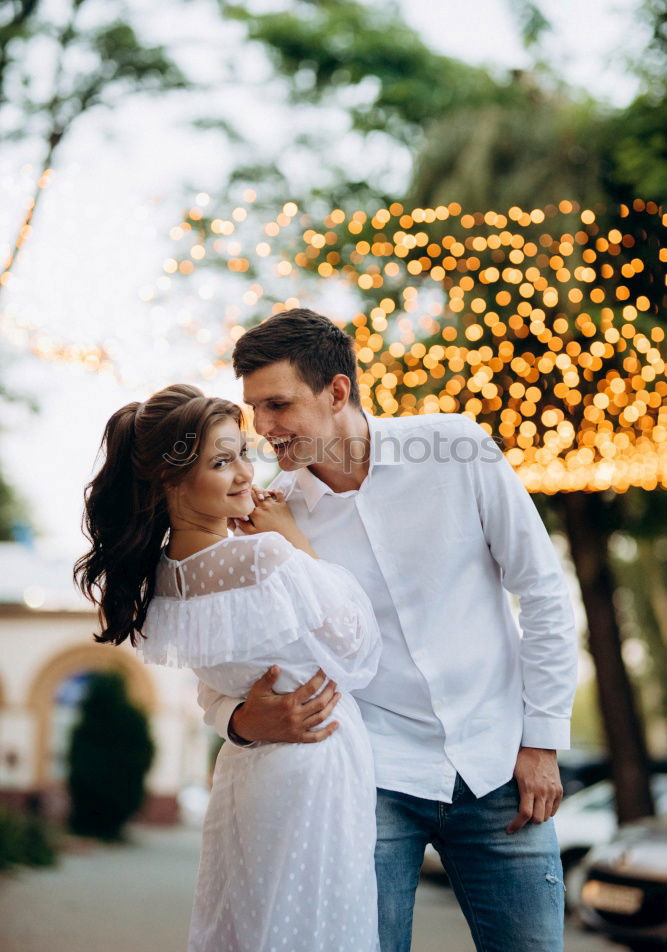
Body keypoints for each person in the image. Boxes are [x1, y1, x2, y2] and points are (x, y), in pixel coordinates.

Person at [198, 308, 579, 952]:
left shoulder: (457, 448)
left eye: (278, 405)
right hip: (368, 778)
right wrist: (235, 720)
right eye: (253, 410)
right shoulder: (270, 517)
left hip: (498, 767)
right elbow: (221, 659)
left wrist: (542, 741)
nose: (262, 429)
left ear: (337, 391)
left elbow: (542, 590)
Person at [73, 383, 383, 952]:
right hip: (316, 764)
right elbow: (359, 647)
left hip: (247, 775)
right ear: (170, 479)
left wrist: (240, 722)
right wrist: (293, 539)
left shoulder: (164, 583)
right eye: (221, 461)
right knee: (313, 931)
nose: (246, 472)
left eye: (242, 451)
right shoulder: (263, 555)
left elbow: (212, 693)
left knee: (250, 926)